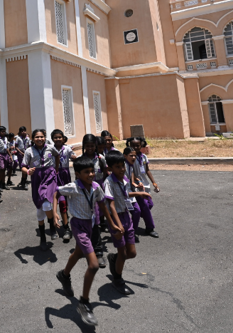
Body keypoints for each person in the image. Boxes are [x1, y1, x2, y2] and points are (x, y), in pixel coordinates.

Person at [54, 155, 119, 327]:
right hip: (78, 226)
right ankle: (83, 302)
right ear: (77, 174)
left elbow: (103, 205)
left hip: (90, 225)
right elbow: (55, 191)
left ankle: (64, 274)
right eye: (86, 172)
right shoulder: (73, 187)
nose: (91, 174)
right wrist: (55, 212)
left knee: (78, 253)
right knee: (94, 265)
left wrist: (112, 225)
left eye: (92, 171)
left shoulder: (96, 187)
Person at [103, 152, 143, 294]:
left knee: (131, 253)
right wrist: (118, 225)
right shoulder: (108, 182)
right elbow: (111, 205)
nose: (121, 169)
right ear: (110, 168)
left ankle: (113, 258)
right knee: (122, 252)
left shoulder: (124, 179)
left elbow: (125, 195)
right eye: (117, 167)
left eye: (123, 166)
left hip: (126, 216)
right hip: (116, 219)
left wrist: (139, 193)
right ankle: (117, 279)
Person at [22, 129, 60, 251]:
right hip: (37, 178)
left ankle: (52, 224)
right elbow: (23, 166)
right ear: (33, 139)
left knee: (46, 203)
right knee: (40, 207)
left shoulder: (50, 147)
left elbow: (57, 155)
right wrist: (28, 171)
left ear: (45, 137)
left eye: (42, 137)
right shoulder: (29, 151)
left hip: (49, 176)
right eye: (37, 137)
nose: (40, 139)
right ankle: (43, 236)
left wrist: (56, 169)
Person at [77, 134, 108, 269]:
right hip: (85, 193)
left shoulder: (101, 159)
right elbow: (77, 178)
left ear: (96, 146)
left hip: (97, 191)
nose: (90, 148)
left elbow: (106, 173)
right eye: (87, 146)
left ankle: (99, 251)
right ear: (84, 146)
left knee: (96, 222)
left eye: (92, 145)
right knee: (85, 221)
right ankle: (86, 248)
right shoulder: (80, 160)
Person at [51, 129, 75, 242]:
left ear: (63, 138)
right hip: (55, 175)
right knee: (61, 201)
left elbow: (73, 156)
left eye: (60, 137)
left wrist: (76, 157)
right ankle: (66, 228)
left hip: (65, 176)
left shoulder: (67, 149)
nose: (58, 139)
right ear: (52, 139)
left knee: (67, 200)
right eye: (55, 138)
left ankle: (66, 217)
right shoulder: (51, 150)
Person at [133, 137, 159, 238]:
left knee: (149, 205)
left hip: (146, 185)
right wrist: (137, 181)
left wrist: (154, 183)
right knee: (145, 207)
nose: (135, 147)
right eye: (133, 145)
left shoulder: (143, 157)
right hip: (137, 186)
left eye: (137, 145)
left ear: (141, 146)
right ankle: (150, 228)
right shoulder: (130, 158)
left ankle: (134, 219)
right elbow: (130, 172)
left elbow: (147, 170)